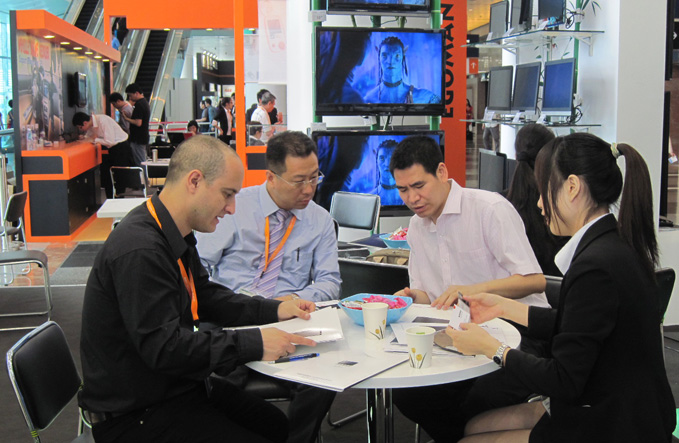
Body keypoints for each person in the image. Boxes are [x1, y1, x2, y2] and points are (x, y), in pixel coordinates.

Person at [80, 135, 318, 443]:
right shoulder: (141, 250)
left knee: (274, 424)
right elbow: (165, 349)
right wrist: (254, 342)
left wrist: (274, 309)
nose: (232, 208)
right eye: (227, 194)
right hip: (136, 414)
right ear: (194, 181)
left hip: (174, 389)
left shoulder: (169, 230)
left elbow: (204, 295)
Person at [449, 133, 676, 442]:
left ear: (572, 187)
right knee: (474, 426)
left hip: (611, 421)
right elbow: (583, 325)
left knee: (469, 438)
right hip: (626, 404)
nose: (539, 204)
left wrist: (492, 348)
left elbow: (563, 380)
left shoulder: (594, 266)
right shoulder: (614, 244)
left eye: (544, 191)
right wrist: (504, 307)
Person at [389, 135, 549, 442]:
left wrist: (473, 290)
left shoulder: (489, 209)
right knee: (409, 394)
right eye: (403, 189)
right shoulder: (417, 228)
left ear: (442, 172)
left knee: (478, 398)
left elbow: (534, 280)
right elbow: (428, 295)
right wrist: (410, 297)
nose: (412, 198)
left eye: (419, 186)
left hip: (521, 330)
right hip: (460, 332)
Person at [196, 131, 339, 443]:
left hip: (288, 322)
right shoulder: (232, 209)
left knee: (324, 378)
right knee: (217, 388)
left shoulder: (320, 220)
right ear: (271, 177)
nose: (309, 189)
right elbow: (199, 269)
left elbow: (330, 281)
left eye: (314, 177)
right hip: (231, 319)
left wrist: (295, 299)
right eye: (298, 181)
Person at [506, 124, 567, 276]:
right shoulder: (563, 207)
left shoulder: (498, 204)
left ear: (516, 156)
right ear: (551, 158)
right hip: (557, 288)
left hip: (509, 289)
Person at [72, 111, 134, 198]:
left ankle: (119, 200)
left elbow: (110, 141)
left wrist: (95, 140)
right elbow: (89, 136)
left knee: (119, 176)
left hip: (121, 147)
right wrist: (85, 138)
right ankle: (110, 199)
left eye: (80, 127)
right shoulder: (91, 125)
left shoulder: (103, 121)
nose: (81, 130)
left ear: (85, 123)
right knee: (109, 177)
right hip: (112, 150)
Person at [363, 36, 440, 104]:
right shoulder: (369, 99)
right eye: (385, 55)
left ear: (403, 57)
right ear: (379, 57)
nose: (390, 61)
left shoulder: (425, 97)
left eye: (397, 55)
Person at [123, 83, 150, 166]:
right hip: (142, 137)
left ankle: (142, 174)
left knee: (140, 162)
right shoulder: (144, 103)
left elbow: (138, 123)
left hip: (138, 138)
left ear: (136, 93)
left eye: (130, 95)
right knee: (142, 159)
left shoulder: (139, 104)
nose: (130, 98)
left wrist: (126, 118)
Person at [374, 139, 401, 206]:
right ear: (377, 161)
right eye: (382, 158)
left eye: (392, 158)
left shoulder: (410, 198)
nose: (387, 164)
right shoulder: (370, 198)